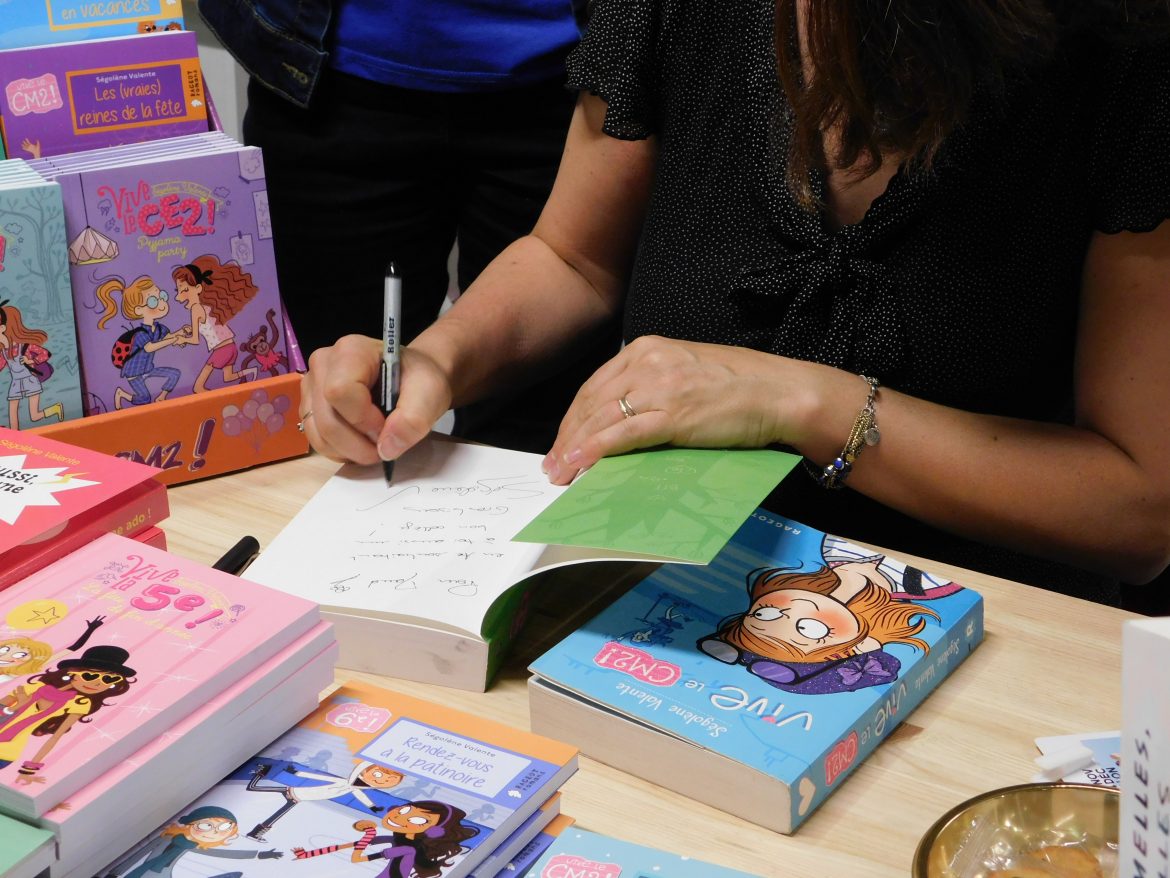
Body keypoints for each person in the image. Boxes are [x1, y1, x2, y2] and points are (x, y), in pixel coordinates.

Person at [297, 0, 1170, 605]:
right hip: (662, 586)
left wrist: (803, 402)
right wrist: (439, 359)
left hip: (979, 616)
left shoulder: (1128, 57)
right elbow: (573, 258)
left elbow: (1139, 508)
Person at [197, 0, 621, 453]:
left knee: (538, 438)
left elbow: (574, 263)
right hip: (327, 75)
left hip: (575, 80)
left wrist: (436, 363)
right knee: (337, 417)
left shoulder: (626, 58)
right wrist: (433, 363)